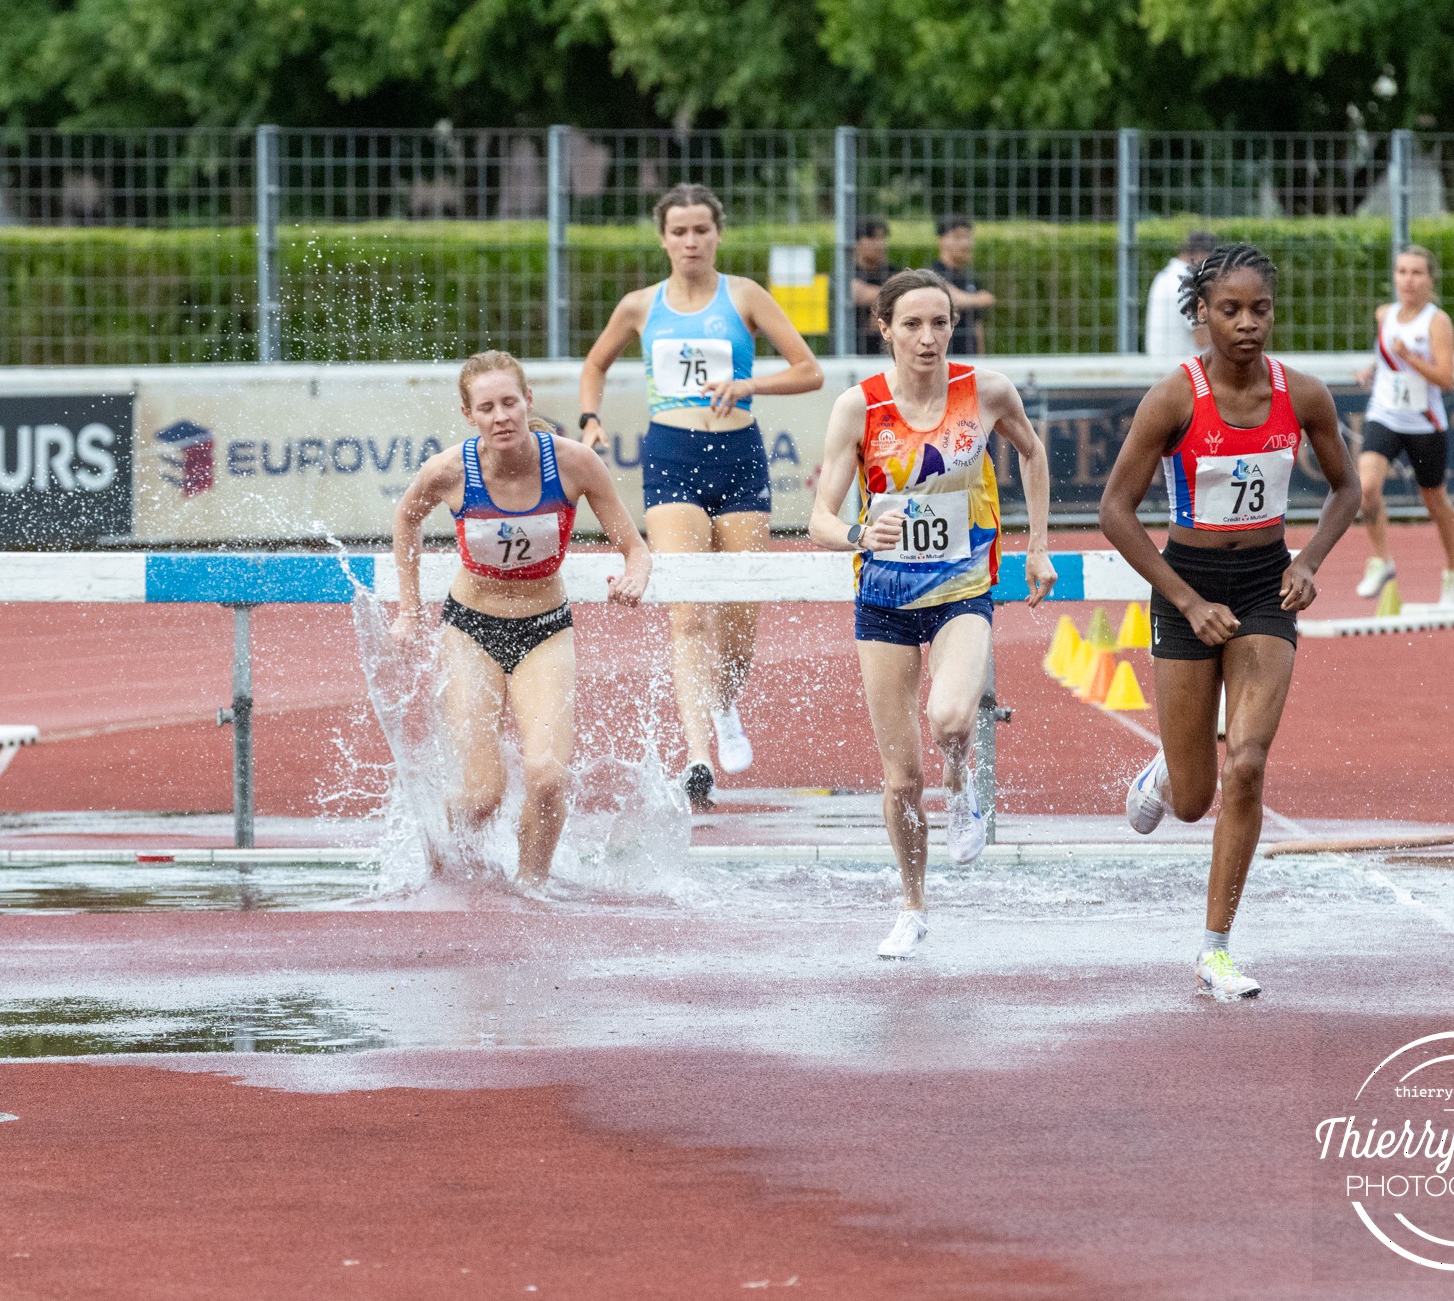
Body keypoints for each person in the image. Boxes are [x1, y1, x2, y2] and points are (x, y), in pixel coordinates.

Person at [1098, 243, 1358, 1000]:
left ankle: (1215, 948)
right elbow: (1115, 511)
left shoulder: (1303, 395)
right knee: (1192, 800)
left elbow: (1346, 490)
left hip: (1265, 587)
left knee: (1247, 763)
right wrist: (1186, 600)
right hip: (1190, 586)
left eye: (1260, 309)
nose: (1247, 323)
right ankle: (1166, 770)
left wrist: (1308, 561)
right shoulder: (1173, 400)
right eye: (1230, 310)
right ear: (1202, 315)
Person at [809, 269, 1056, 959]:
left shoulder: (986, 392)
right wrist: (860, 533)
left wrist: (1037, 546)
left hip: (962, 589)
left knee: (950, 717)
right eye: (912, 324)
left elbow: (1033, 454)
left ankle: (962, 776)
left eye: (940, 323)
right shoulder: (859, 407)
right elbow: (819, 518)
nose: (927, 337)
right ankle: (912, 906)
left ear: (953, 326)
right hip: (884, 600)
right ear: (884, 328)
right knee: (900, 780)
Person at [579, 184, 824, 810]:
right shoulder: (640, 305)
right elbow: (596, 364)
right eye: (679, 231)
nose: (691, 242)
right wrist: (590, 418)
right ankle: (697, 755)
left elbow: (809, 370)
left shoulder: (744, 296)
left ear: (718, 234)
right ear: (663, 239)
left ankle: (725, 703)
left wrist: (748, 385)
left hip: (738, 456)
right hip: (672, 455)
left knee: (740, 617)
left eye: (701, 230)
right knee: (687, 612)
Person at [393, 350, 652, 889]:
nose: (501, 417)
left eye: (509, 402)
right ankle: (443, 867)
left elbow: (636, 548)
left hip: (544, 630)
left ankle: (531, 887)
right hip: (470, 630)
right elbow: (406, 519)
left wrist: (634, 575)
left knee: (548, 776)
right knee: (482, 795)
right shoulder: (448, 471)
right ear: (469, 415)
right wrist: (409, 609)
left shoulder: (575, 463)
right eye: (486, 408)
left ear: (528, 401)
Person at [1352, 245, 1454, 604]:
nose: (1408, 280)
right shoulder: (1385, 315)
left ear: (1430, 279)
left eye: (1417, 273)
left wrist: (1410, 357)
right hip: (1385, 414)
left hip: (1423, 422)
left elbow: (1446, 378)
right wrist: (1371, 370)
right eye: (1402, 272)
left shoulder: (1437, 322)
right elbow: (1386, 357)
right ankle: (1382, 560)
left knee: (1434, 500)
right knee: (1366, 488)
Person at [928, 215, 996, 355]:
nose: (965, 243)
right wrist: (977, 299)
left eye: (968, 237)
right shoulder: (931, 273)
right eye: (958, 237)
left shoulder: (970, 277)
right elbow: (947, 298)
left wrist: (981, 358)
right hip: (941, 356)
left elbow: (977, 323)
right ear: (941, 240)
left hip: (969, 356)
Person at [1144, 231, 1215, 358]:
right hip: (1183, 364)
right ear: (1200, 255)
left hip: (1158, 363)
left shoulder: (1164, 276)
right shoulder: (1188, 282)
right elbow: (1202, 340)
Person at [849, 219, 896, 355]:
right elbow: (855, 292)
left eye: (882, 238)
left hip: (888, 351)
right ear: (856, 242)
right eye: (872, 238)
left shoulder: (892, 271)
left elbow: (909, 292)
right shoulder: (847, 271)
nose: (879, 243)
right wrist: (889, 302)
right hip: (853, 350)